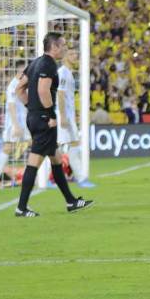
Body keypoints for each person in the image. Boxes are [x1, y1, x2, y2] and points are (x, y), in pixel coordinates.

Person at [14, 32, 93, 217]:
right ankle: (21, 207)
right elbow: (43, 90)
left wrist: (30, 107)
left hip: (34, 117)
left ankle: (71, 201)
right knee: (34, 162)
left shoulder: (34, 63)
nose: (65, 48)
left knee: (56, 158)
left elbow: (19, 88)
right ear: (54, 47)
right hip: (44, 120)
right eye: (63, 45)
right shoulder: (49, 64)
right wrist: (49, 115)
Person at [57, 47, 94, 188]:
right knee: (57, 147)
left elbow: (67, 97)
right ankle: (44, 177)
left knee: (73, 146)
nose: (75, 56)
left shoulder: (69, 73)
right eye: (71, 54)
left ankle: (81, 178)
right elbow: (59, 95)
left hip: (68, 115)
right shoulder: (62, 73)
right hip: (63, 116)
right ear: (64, 56)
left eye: (76, 54)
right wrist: (63, 116)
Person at [0, 60, 30, 186]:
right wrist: (15, 125)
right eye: (25, 70)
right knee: (8, 147)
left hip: (26, 121)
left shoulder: (26, 84)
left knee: (38, 144)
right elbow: (11, 106)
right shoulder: (12, 86)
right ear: (19, 71)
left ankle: (36, 175)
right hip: (13, 123)